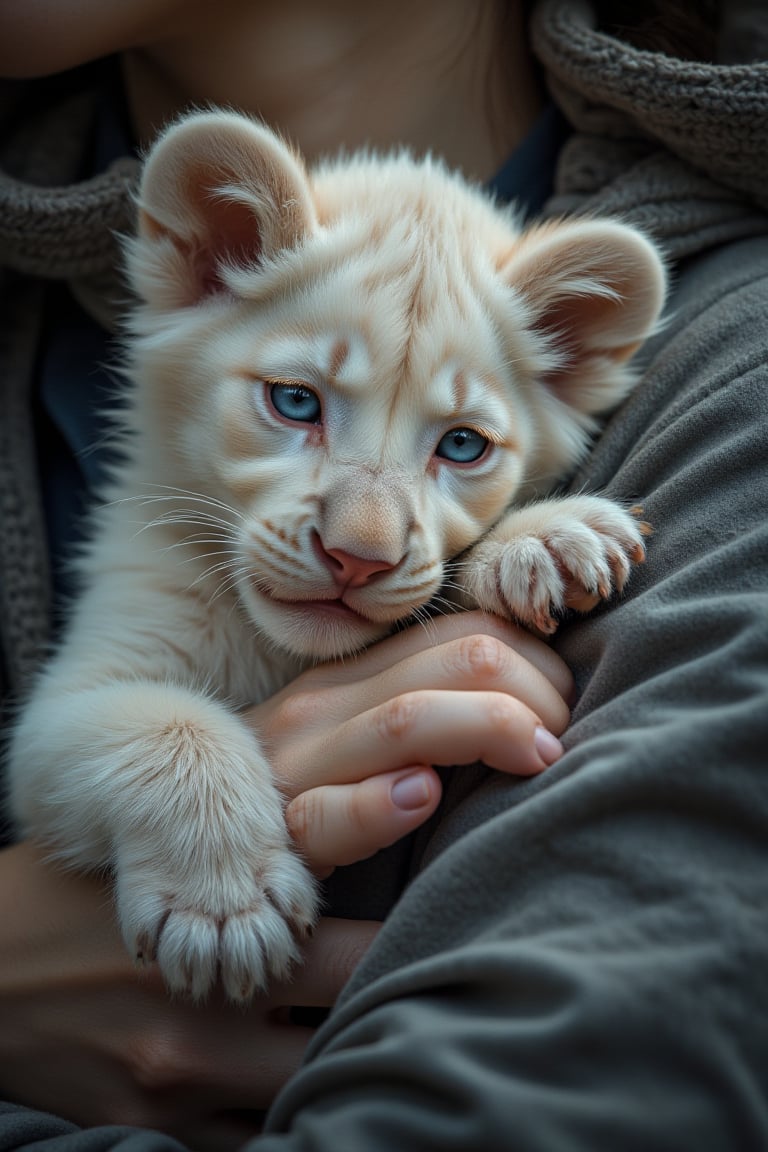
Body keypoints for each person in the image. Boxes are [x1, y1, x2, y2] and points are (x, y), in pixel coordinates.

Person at [0, 0, 766, 1149]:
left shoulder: (725, 386)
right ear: (198, 258)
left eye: (462, 446)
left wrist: (509, 551)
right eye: (296, 404)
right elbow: (79, 734)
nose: (363, 534)